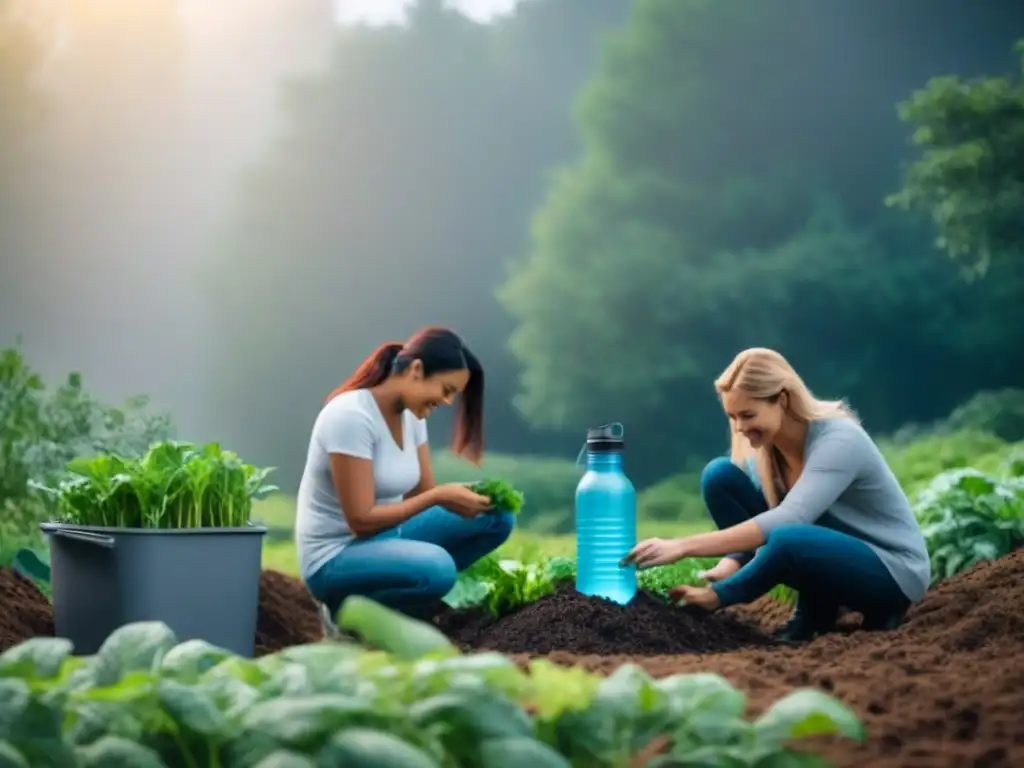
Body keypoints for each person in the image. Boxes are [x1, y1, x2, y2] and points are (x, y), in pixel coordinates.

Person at [622, 347, 931, 642]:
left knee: (787, 537)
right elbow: (784, 522)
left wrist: (685, 550)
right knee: (720, 477)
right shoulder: (771, 448)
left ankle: (854, 610)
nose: (740, 427)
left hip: (891, 573)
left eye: (748, 414)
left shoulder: (839, 440)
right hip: (830, 553)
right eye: (733, 417)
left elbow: (790, 519)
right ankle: (818, 611)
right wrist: (735, 559)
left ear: (781, 400)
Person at [294, 326, 515, 635]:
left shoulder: (412, 416)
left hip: (384, 539)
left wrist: (458, 497)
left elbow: (422, 493)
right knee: (436, 568)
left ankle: (403, 606)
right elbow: (361, 520)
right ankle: (345, 614)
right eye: (446, 389)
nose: (448, 401)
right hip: (334, 556)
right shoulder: (351, 416)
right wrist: (439, 497)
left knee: (497, 516)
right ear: (416, 370)